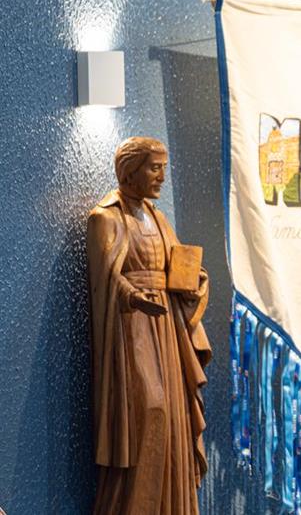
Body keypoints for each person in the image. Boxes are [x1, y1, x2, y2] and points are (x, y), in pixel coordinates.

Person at [87, 137, 211, 515]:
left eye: (164, 168)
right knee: (149, 411)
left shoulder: (159, 219)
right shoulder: (105, 218)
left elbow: (175, 267)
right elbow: (104, 277)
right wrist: (130, 296)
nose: (161, 176)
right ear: (130, 170)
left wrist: (196, 280)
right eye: (154, 167)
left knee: (173, 417)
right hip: (130, 332)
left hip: (166, 331)